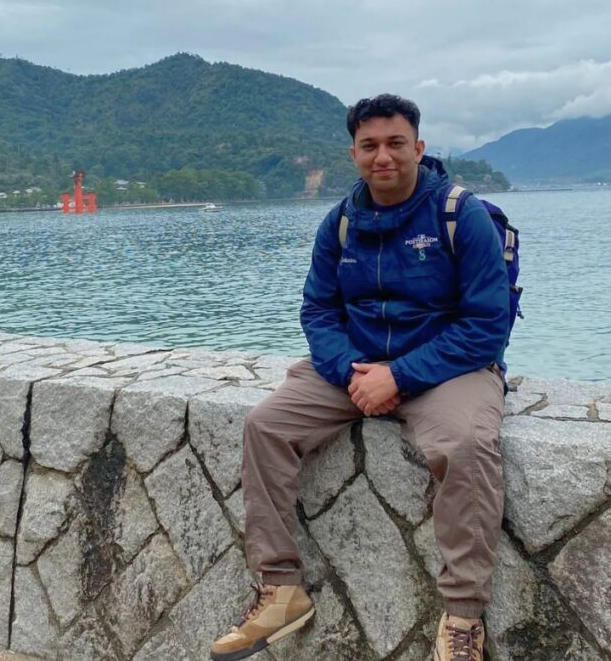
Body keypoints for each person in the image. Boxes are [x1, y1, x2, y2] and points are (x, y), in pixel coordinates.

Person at [210, 94, 510, 661]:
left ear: (419, 148)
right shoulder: (341, 222)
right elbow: (318, 312)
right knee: (265, 427)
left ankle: (464, 617)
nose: (384, 157)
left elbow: (486, 326)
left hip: (449, 366)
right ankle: (279, 590)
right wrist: (354, 374)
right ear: (353, 153)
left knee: (467, 446)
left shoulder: (458, 214)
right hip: (356, 367)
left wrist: (399, 376)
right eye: (369, 146)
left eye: (396, 144)